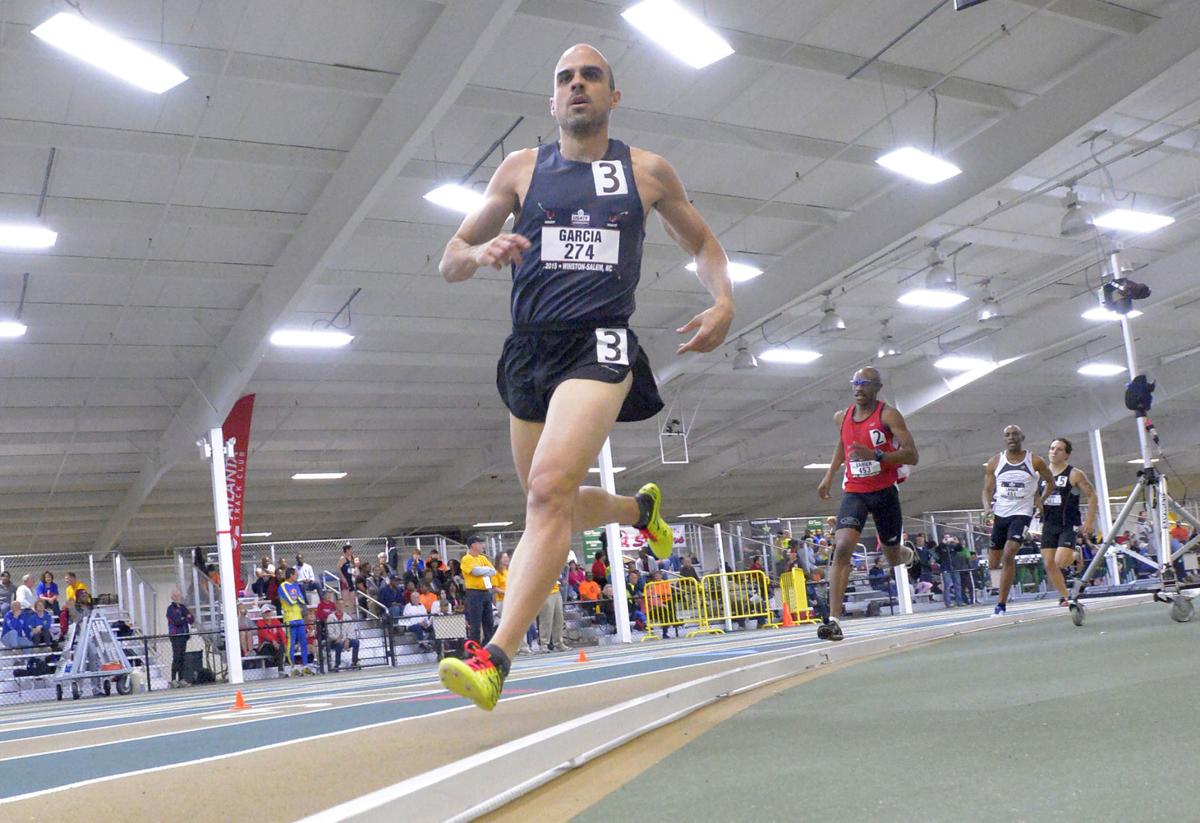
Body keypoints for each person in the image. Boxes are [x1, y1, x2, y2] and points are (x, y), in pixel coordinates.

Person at [437, 43, 732, 711]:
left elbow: (704, 244)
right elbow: (450, 257)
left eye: (590, 76)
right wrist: (480, 250)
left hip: (600, 345)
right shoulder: (519, 170)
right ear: (552, 100)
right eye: (564, 78)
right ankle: (637, 512)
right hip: (529, 351)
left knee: (546, 493)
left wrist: (723, 300)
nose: (577, 85)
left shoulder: (647, 172)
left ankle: (495, 657)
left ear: (612, 96)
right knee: (557, 509)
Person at [816, 367, 918, 641]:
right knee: (842, 547)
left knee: (892, 557)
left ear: (877, 387)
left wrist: (875, 455)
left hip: (884, 491)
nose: (859, 388)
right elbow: (844, 444)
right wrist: (829, 475)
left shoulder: (888, 415)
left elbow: (912, 455)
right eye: (855, 383)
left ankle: (906, 554)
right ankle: (834, 621)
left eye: (865, 383)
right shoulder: (843, 417)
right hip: (855, 491)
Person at [983, 425, 1054, 616]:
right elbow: (987, 490)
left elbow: (1050, 481)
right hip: (1001, 513)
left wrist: (1040, 499)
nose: (1011, 438)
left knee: (1009, 553)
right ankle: (999, 585)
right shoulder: (995, 462)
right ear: (1004, 439)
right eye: (1007, 435)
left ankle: (1001, 604)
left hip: (1022, 513)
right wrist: (987, 507)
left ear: (1022, 437)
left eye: (1015, 434)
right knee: (993, 562)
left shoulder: (1035, 461)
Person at [1041, 437, 1099, 606]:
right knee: (1049, 564)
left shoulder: (1074, 474)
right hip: (1049, 523)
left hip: (1068, 523)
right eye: (1052, 448)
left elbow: (1092, 495)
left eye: (1059, 449)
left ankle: (1075, 553)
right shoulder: (1041, 474)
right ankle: (1066, 596)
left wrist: (1090, 521)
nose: (1054, 452)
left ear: (1066, 455)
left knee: (1059, 562)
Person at [459, 537, 497, 646]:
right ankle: (475, 649)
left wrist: (484, 571)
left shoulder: (482, 558)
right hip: (474, 593)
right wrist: (486, 570)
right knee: (475, 624)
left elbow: (493, 571)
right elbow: (475, 571)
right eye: (480, 543)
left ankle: (487, 646)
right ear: (473, 545)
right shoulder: (467, 558)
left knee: (489, 622)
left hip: (485, 592)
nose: (482, 545)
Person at [278, 567, 310, 673]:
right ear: (291, 575)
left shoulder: (296, 586)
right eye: (296, 574)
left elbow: (302, 599)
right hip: (290, 618)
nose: (297, 576)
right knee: (291, 643)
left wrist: (296, 598)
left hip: (299, 618)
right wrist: (296, 598)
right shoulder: (282, 586)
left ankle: (305, 666)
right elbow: (291, 600)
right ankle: (292, 667)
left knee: (303, 642)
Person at [166, 590, 194, 687]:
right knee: (176, 657)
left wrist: (184, 618)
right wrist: (185, 618)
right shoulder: (170, 609)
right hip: (176, 636)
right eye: (176, 595)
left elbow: (191, 619)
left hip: (184, 635)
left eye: (179, 595)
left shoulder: (182, 607)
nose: (178, 597)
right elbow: (177, 621)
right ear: (172, 597)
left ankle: (181, 678)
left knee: (182, 657)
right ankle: (173, 679)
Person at [325, 600, 360, 670]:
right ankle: (337, 665)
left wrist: (347, 639)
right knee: (339, 644)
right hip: (334, 641)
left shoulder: (348, 617)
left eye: (342, 604)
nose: (341, 606)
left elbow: (351, 631)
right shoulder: (331, 617)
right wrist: (336, 638)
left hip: (345, 640)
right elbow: (330, 632)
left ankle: (354, 662)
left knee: (356, 642)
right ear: (336, 605)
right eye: (339, 604)